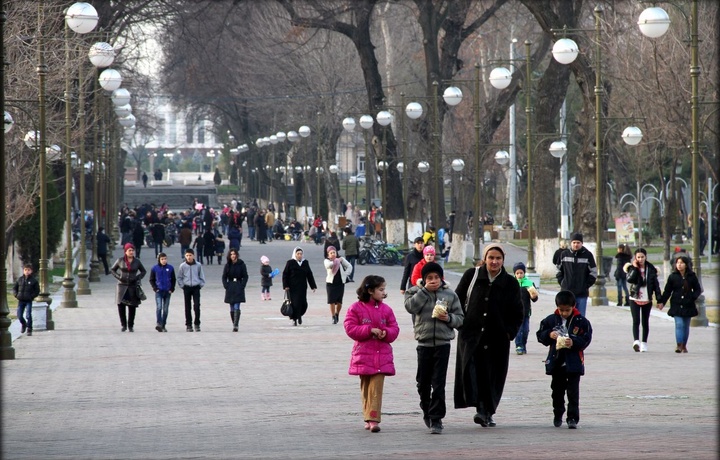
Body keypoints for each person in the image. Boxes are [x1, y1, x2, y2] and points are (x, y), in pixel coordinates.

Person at [453, 243, 524, 428]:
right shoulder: (472, 275)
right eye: (491, 258)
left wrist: (509, 332)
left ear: (503, 260)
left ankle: (486, 411)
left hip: (497, 338)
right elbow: (457, 300)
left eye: (498, 258)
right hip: (471, 335)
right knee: (472, 371)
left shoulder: (510, 282)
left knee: (493, 375)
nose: (494, 261)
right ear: (485, 258)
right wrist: (459, 323)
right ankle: (480, 406)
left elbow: (518, 312)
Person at [404, 262, 464, 434]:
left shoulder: (450, 295)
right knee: (423, 383)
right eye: (429, 278)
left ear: (441, 278)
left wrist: (449, 318)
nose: (434, 281)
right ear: (423, 279)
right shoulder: (415, 292)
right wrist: (424, 291)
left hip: (443, 344)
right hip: (424, 344)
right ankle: (426, 409)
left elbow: (460, 318)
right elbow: (410, 307)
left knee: (438, 383)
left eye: (436, 277)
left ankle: (436, 418)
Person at [343, 275, 400, 433]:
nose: (383, 292)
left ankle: (374, 419)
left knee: (376, 387)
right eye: (380, 289)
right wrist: (369, 330)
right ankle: (368, 417)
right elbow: (350, 328)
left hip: (382, 357)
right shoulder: (356, 308)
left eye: (384, 290)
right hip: (363, 355)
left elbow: (394, 329)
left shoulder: (386, 310)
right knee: (366, 388)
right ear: (370, 290)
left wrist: (385, 332)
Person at [536, 290, 593, 429]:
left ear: (573, 306)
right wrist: (550, 335)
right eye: (561, 310)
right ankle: (558, 414)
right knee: (557, 390)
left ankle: (572, 417)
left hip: (574, 362)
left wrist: (573, 342)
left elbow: (586, 339)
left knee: (573, 392)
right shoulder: (550, 320)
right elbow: (540, 335)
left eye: (567, 310)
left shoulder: (581, 321)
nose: (564, 313)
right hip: (556, 361)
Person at [657, 255, 702, 353]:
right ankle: (679, 345)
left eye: (682, 263)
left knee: (686, 326)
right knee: (679, 324)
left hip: (688, 304)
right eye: (678, 263)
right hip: (676, 304)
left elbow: (698, 289)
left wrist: (693, 297)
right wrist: (662, 302)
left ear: (686, 265)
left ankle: (684, 345)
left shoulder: (692, 276)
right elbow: (667, 291)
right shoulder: (673, 276)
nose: (679, 265)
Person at [624, 248, 662, 352]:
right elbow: (630, 279)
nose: (640, 259)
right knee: (636, 321)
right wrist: (635, 269)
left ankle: (644, 343)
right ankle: (636, 341)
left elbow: (656, 286)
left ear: (645, 257)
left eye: (642, 257)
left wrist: (659, 300)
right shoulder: (632, 268)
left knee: (645, 322)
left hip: (647, 298)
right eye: (638, 257)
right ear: (635, 258)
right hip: (634, 298)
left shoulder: (651, 269)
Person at [556, 233, 597, 316]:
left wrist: (586, 284)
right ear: (571, 243)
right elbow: (558, 269)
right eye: (574, 242)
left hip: (581, 293)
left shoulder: (588, 255)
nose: (576, 245)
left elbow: (594, 272)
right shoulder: (564, 254)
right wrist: (562, 282)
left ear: (582, 243)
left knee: (580, 317)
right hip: (566, 293)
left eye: (578, 242)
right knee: (565, 316)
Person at [110, 243, 147, 332]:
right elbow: (112, 270)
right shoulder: (120, 260)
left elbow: (143, 271)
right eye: (129, 250)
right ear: (125, 251)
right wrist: (119, 277)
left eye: (132, 250)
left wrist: (137, 278)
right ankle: (123, 325)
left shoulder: (137, 261)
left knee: (132, 306)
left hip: (132, 286)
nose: (131, 252)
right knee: (121, 306)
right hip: (121, 285)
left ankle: (130, 325)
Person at [282, 247, 317, 326]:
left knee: (303, 303)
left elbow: (309, 275)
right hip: (292, 287)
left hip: (302, 287)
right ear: (295, 254)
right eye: (298, 254)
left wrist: (313, 286)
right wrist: (285, 285)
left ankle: (300, 315)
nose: (299, 255)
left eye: (301, 254)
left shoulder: (305, 262)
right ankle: (294, 318)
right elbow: (285, 275)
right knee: (295, 303)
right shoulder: (290, 263)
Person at [177, 248, 206, 332]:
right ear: (185, 256)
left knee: (197, 306)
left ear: (193, 255)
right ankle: (188, 324)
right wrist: (182, 285)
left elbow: (201, 276)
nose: (189, 257)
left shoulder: (198, 265)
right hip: (186, 287)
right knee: (187, 307)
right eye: (187, 255)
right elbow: (179, 277)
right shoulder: (182, 266)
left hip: (196, 287)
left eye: (190, 255)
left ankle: (197, 323)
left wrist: (200, 284)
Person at [513, 262, 538, 355]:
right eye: (517, 273)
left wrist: (533, 296)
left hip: (526, 311)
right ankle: (518, 345)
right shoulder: (512, 283)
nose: (519, 275)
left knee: (526, 330)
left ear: (524, 273)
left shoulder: (529, 284)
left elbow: (535, 299)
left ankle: (523, 344)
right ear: (515, 274)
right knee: (518, 329)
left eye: (521, 273)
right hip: (516, 312)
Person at [323, 246, 353, 325]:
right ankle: (333, 316)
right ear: (328, 254)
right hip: (330, 284)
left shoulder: (341, 259)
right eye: (331, 253)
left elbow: (349, 266)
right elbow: (328, 266)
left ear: (336, 253)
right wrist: (335, 261)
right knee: (331, 301)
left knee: (339, 302)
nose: (333, 254)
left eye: (334, 252)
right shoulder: (327, 261)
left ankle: (337, 313)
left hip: (340, 283)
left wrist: (345, 274)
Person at [222, 248, 249, 332]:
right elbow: (224, 276)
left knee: (237, 305)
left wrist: (242, 285)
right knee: (231, 306)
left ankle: (236, 324)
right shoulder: (227, 265)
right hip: (230, 286)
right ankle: (234, 322)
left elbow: (245, 276)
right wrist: (226, 285)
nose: (233, 256)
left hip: (238, 285)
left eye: (234, 254)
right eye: (231, 254)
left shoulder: (241, 264)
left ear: (236, 255)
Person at [149, 252, 176, 332]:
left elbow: (173, 279)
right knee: (159, 307)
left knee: (165, 309)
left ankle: (163, 325)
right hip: (159, 291)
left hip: (167, 291)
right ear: (159, 260)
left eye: (165, 259)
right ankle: (159, 323)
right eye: (162, 259)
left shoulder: (170, 268)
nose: (164, 261)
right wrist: (155, 288)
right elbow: (151, 279)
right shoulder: (155, 268)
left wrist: (172, 289)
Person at [13, 263, 40, 337]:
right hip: (21, 300)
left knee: (28, 315)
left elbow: (37, 291)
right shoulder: (20, 279)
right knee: (19, 315)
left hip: (28, 300)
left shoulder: (34, 281)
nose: (27, 271)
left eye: (28, 270)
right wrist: (16, 295)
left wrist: (31, 297)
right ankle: (23, 324)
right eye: (25, 270)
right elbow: (15, 288)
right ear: (23, 271)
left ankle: (29, 329)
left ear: (31, 271)